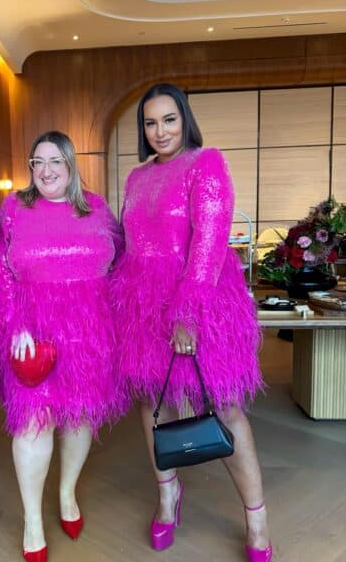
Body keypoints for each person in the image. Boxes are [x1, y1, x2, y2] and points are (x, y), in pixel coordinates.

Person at [112, 83, 272, 562]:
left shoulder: (206, 164)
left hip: (198, 299)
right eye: (150, 122)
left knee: (224, 405)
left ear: (185, 119)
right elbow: (129, 241)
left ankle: (257, 518)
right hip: (143, 304)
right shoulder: (137, 178)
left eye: (169, 120)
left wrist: (187, 313)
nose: (160, 131)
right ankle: (167, 495)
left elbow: (208, 242)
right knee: (152, 403)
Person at [0, 131, 127, 562]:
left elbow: (121, 261)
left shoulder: (98, 208)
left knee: (78, 417)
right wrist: (15, 323)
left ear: (71, 164)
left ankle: (67, 494)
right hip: (33, 328)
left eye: (55, 161)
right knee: (33, 422)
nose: (46, 171)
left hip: (89, 330)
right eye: (37, 161)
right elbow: (0, 270)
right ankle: (33, 520)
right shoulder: (15, 207)